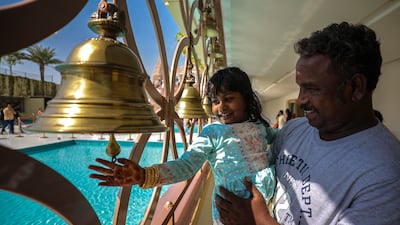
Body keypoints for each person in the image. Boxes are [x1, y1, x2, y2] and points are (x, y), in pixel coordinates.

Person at [215, 22, 400, 225]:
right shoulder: (295, 129)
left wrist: (259, 221)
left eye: (312, 89)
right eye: (300, 88)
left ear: (355, 87)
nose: (301, 100)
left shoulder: (386, 176)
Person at [89, 67, 278, 224]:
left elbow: (279, 138)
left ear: (246, 98)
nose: (221, 107)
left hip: (265, 207)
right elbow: (186, 166)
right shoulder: (213, 133)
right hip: (230, 212)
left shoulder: (260, 127)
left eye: (228, 99)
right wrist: (144, 175)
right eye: (215, 101)